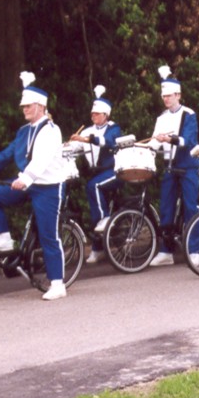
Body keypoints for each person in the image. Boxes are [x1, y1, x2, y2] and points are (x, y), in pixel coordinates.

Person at [0, 72, 69, 300]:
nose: (24, 110)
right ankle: (4, 239)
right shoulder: (23, 132)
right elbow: (6, 155)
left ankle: (58, 284)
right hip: (27, 183)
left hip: (49, 186)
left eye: (28, 106)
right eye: (23, 107)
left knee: (48, 234)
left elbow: (41, 160)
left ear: (41, 106)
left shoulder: (51, 130)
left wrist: (25, 178)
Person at [148, 65, 199, 266]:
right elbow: (155, 141)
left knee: (190, 206)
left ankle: (195, 249)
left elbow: (187, 140)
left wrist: (169, 139)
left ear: (178, 95)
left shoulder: (189, 114)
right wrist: (145, 147)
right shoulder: (161, 118)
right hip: (170, 166)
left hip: (187, 166)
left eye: (169, 96)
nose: (166, 99)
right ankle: (166, 250)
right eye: (164, 96)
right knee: (166, 206)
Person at [69, 85, 122, 264]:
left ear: (106, 115)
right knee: (93, 209)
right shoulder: (86, 131)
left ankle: (106, 220)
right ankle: (98, 248)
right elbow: (74, 148)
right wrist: (65, 146)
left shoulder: (114, 128)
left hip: (115, 171)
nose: (93, 117)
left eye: (97, 114)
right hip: (98, 173)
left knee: (93, 186)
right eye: (92, 114)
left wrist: (86, 139)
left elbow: (108, 142)